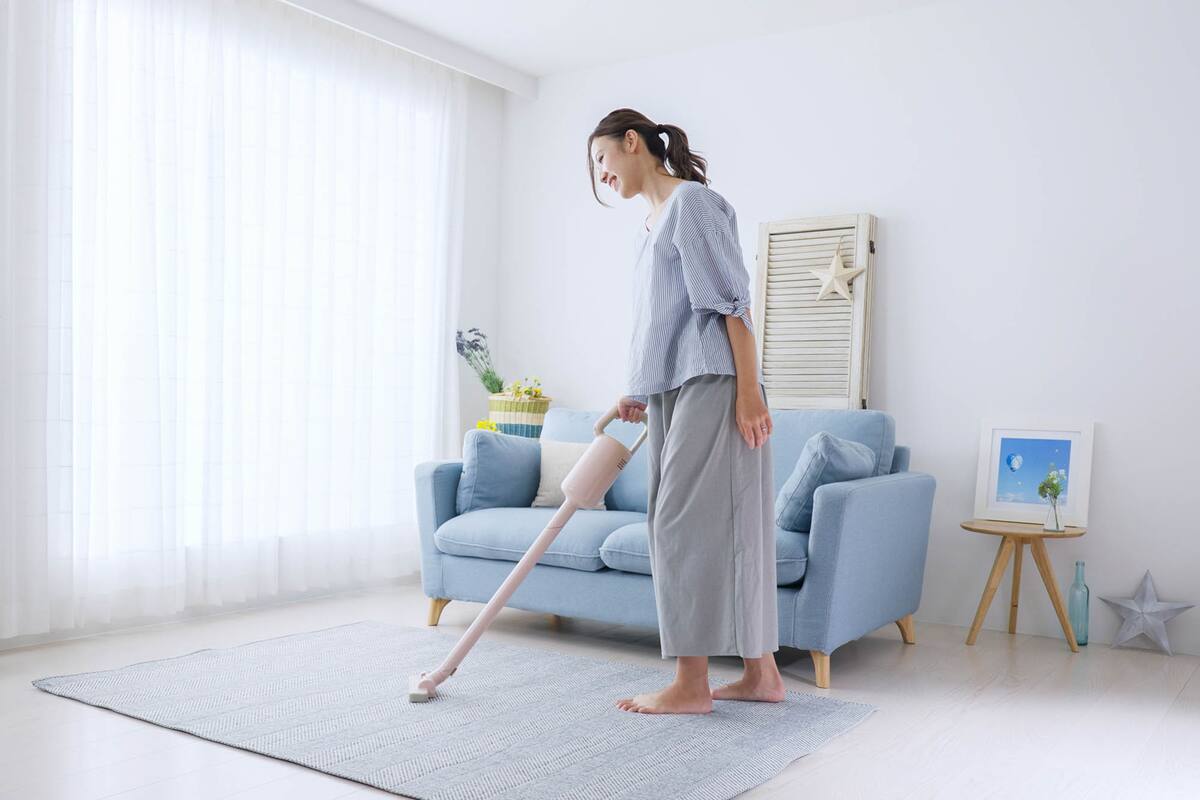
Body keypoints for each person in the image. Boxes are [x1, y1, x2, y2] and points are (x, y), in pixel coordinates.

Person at [586, 108, 784, 715]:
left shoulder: (693, 204)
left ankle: (692, 684)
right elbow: (662, 322)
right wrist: (638, 389)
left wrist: (748, 391)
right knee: (730, 526)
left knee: (678, 526)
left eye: (602, 159)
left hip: (715, 378)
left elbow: (731, 302)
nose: (601, 174)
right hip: (673, 385)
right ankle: (762, 676)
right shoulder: (651, 225)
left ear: (631, 142)